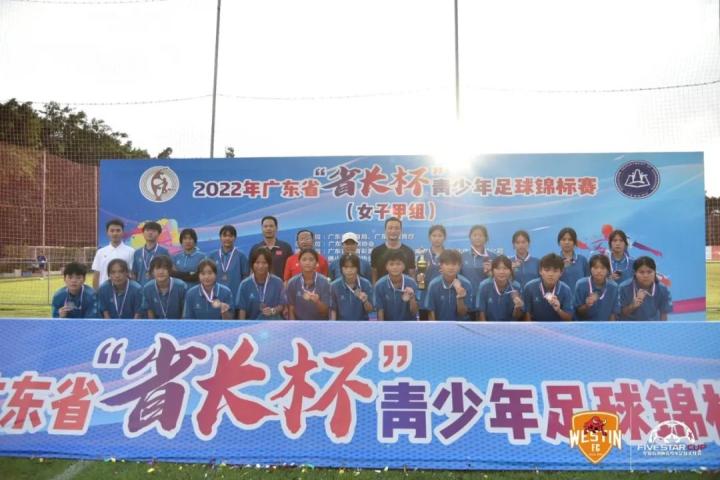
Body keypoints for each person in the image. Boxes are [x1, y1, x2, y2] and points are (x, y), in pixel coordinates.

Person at [236, 247, 286, 320]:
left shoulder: (278, 282)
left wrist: (273, 311)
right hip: (252, 324)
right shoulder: (244, 284)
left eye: (264, 263)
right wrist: (242, 326)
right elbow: (242, 309)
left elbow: (282, 305)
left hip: (273, 324)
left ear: (269, 264)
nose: (260, 266)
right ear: (252, 264)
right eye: (257, 262)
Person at [424, 249, 473, 321]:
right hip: (440, 325)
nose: (451, 267)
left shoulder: (466, 284)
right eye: (447, 264)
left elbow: (462, 313)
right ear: (441, 265)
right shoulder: (433, 285)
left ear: (460, 266)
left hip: (461, 326)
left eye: (454, 264)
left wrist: (460, 297)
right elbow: (431, 312)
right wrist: (434, 327)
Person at [522, 253, 573, 321]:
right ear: (540, 271)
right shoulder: (529, 287)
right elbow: (527, 314)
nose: (550, 274)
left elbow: (569, 319)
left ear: (561, 273)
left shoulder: (566, 290)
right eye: (547, 270)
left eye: (555, 271)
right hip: (535, 326)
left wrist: (558, 310)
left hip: (557, 327)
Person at [619, 256, 672, 320]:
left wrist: (662, 326)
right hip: (629, 325)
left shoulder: (662, 289)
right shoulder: (624, 288)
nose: (645, 276)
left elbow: (663, 315)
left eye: (649, 272)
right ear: (635, 273)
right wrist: (632, 306)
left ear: (655, 272)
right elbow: (620, 314)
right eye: (641, 272)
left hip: (654, 325)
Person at [460, 225, 497, 317]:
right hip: (467, 299)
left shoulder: (493, 257)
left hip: (487, 300)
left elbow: (499, 279)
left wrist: (490, 273)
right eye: (475, 235)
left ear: (486, 238)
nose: (477, 238)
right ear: (470, 237)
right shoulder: (462, 256)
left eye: (480, 235)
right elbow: (458, 278)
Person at [286, 248, 332, 320]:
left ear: (316, 263)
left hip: (320, 323)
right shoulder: (292, 282)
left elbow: (325, 312)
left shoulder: (324, 282)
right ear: (299, 262)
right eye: (304, 260)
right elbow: (291, 309)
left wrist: (317, 301)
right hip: (298, 323)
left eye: (311, 260)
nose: (307, 263)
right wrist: (293, 324)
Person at [373, 249, 419, 321]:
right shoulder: (379, 285)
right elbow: (380, 312)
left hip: (408, 325)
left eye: (398, 264)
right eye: (391, 264)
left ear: (404, 266)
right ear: (386, 267)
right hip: (388, 325)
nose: (395, 267)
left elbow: (414, 312)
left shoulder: (412, 283)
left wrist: (412, 297)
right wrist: (382, 327)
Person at [475, 256, 524, 321]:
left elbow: (517, 317)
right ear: (492, 270)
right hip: (489, 325)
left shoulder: (516, 287)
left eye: (505, 268)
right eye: (498, 268)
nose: (501, 272)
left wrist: (518, 307)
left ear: (511, 271)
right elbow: (481, 313)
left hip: (510, 326)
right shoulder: (484, 286)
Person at [91, 219, 134, 290]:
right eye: (112, 231)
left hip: (124, 291)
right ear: (107, 233)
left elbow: (132, 274)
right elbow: (96, 275)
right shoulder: (100, 252)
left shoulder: (131, 251)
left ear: (123, 233)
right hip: (104, 291)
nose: (115, 233)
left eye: (118, 230)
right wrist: (96, 292)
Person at [208, 225, 249, 300]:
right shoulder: (212, 256)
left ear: (235, 238)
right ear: (220, 237)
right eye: (224, 236)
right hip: (216, 297)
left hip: (235, 297)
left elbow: (246, 278)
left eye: (230, 236)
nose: (227, 238)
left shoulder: (241, 256)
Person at [370, 217, 415, 284]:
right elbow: (374, 275)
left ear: (401, 231)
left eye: (396, 228)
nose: (393, 231)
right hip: (382, 289)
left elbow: (412, 275)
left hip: (404, 289)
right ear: (385, 230)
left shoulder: (409, 251)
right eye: (390, 228)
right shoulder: (376, 251)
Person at [574, 254, 619, 321]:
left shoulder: (613, 287)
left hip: (606, 325)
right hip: (585, 325)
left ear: (608, 270)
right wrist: (587, 305)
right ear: (590, 269)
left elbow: (613, 313)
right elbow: (577, 312)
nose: (599, 271)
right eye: (595, 268)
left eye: (603, 268)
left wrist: (610, 326)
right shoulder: (581, 284)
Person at [330, 253, 374, 320]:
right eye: (346, 267)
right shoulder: (334, 286)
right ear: (341, 269)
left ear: (357, 268)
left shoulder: (366, 284)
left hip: (361, 324)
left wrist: (365, 301)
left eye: (352, 267)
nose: (349, 270)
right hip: (341, 324)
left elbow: (370, 310)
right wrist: (333, 325)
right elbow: (333, 310)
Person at [416, 225, 446, 321]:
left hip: (444, 299)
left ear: (444, 237)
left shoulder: (449, 256)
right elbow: (419, 283)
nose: (437, 238)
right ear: (429, 237)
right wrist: (419, 279)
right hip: (426, 298)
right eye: (434, 235)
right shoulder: (422, 257)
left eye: (440, 236)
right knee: (426, 328)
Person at [143, 255, 187, 319]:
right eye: (157, 268)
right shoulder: (147, 288)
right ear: (152, 272)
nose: (161, 272)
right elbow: (150, 311)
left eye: (164, 268)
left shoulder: (181, 286)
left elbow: (184, 312)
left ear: (170, 270)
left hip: (178, 323)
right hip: (156, 324)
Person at [131, 221, 170, 287]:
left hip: (157, 288)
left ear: (159, 234)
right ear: (143, 233)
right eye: (147, 230)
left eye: (154, 231)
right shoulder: (137, 252)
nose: (150, 233)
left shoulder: (164, 252)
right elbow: (134, 273)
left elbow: (168, 272)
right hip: (140, 288)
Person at [557, 227, 589, 298]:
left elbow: (588, 282)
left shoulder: (582, 260)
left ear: (575, 242)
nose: (567, 242)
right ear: (559, 242)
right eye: (563, 239)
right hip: (561, 300)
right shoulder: (554, 260)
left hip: (580, 300)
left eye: (570, 239)